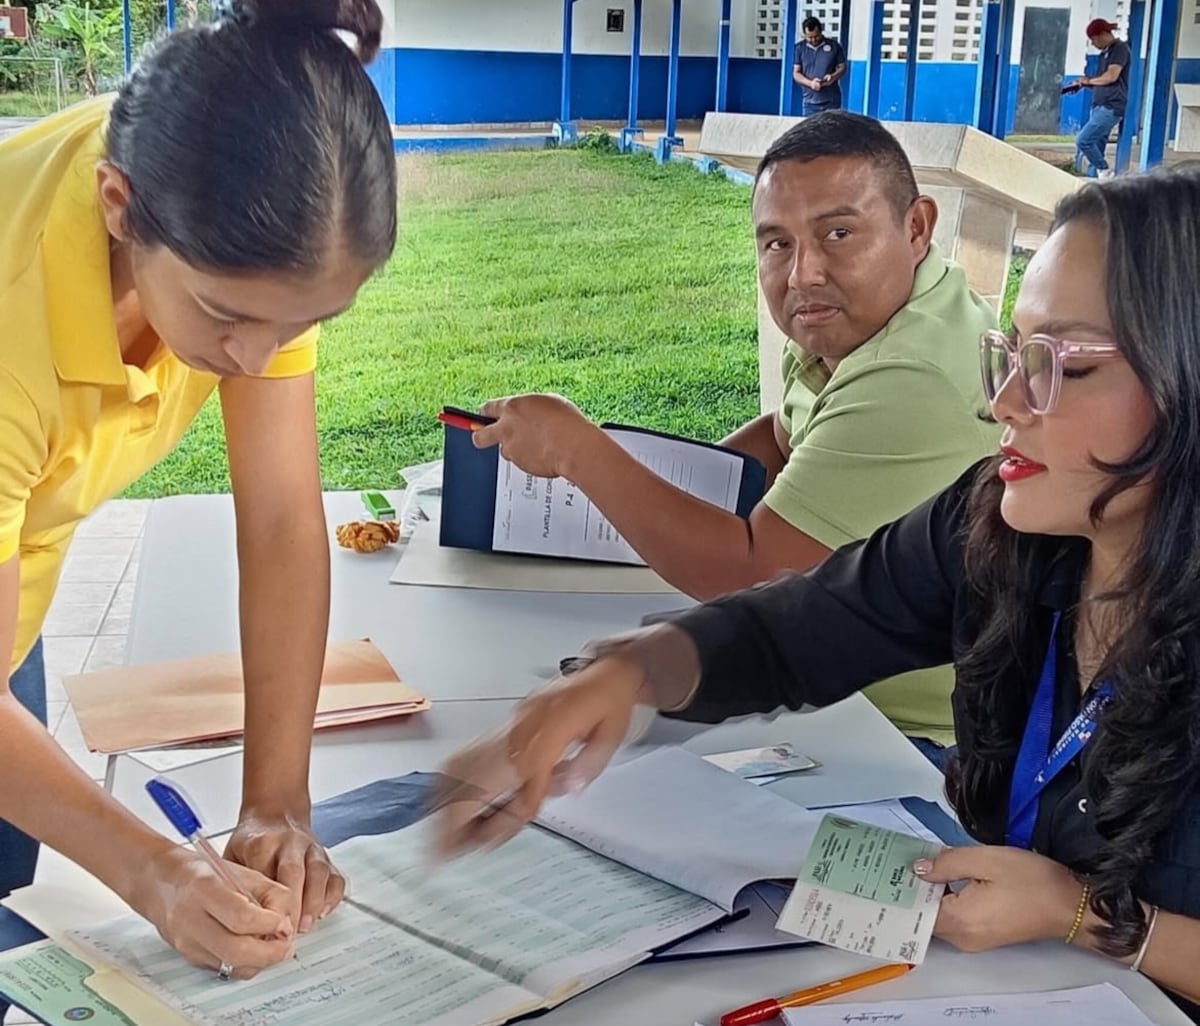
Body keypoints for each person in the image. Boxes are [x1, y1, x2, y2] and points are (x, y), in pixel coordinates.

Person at [434, 164, 1200, 1020]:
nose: (1005, 404)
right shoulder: (1008, 530)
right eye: (1014, 355)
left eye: (1065, 366)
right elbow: (807, 622)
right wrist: (629, 675)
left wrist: (1086, 918)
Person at [0, 0, 396, 1004]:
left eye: (305, 323)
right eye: (228, 318)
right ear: (118, 205)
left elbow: (276, 524)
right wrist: (155, 870)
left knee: (14, 893)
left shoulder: (243, 207)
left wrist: (279, 806)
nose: (259, 360)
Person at [469, 112, 999, 760]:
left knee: (561, 751)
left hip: (904, 739)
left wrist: (582, 453)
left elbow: (752, 577)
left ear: (916, 227)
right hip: (828, 687)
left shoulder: (910, 372)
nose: (803, 273)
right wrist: (669, 494)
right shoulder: (863, 317)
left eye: (837, 232)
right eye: (776, 243)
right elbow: (782, 439)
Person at [1066, 18, 1131, 179]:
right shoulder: (1105, 53)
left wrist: (1088, 81)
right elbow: (1102, 80)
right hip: (1100, 105)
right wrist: (1084, 83)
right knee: (1096, 145)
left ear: (1103, 34)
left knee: (1083, 140)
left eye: (1093, 39)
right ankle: (1094, 180)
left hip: (1111, 106)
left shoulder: (1119, 48)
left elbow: (1111, 77)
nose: (1093, 44)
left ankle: (1105, 171)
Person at [792, 17, 847, 115]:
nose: (813, 40)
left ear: (821, 32)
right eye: (809, 37)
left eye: (816, 36)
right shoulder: (799, 48)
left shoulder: (834, 46)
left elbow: (842, 68)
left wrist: (833, 77)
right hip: (810, 102)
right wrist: (810, 83)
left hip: (831, 100)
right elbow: (796, 73)